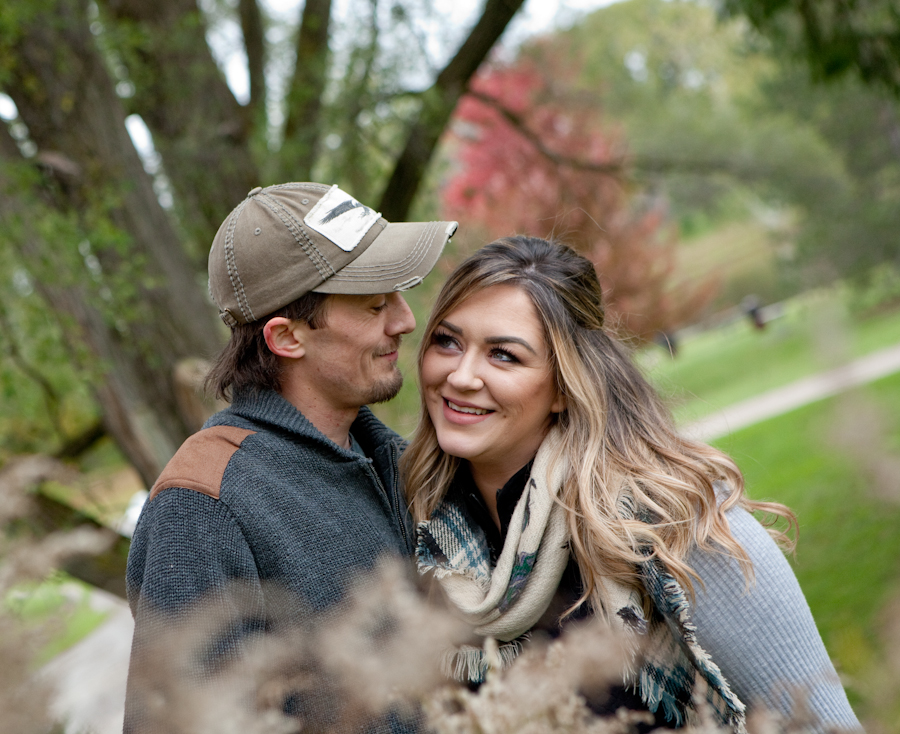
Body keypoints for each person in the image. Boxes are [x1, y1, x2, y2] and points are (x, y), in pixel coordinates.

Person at [403, 236, 860, 732]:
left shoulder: (677, 525)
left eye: (504, 355)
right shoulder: (418, 530)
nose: (461, 376)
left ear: (563, 386)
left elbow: (821, 724)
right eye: (447, 342)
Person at [124, 182, 457, 730]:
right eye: (375, 303)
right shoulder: (203, 506)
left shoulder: (399, 463)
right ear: (287, 337)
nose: (404, 320)